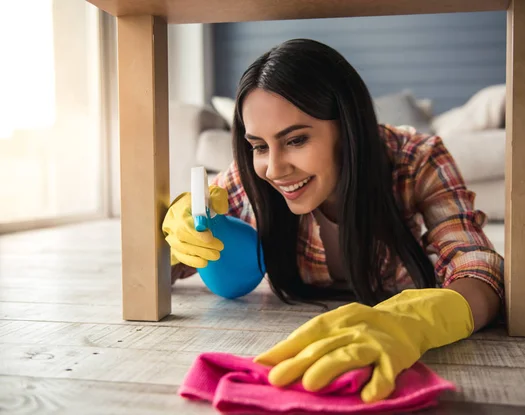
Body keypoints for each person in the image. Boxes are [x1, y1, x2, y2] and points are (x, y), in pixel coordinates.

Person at [162, 38, 504, 403]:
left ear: (346, 127)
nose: (273, 169)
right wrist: (173, 240)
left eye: (295, 140)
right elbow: (174, 259)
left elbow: (479, 270)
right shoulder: (250, 177)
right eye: (259, 145)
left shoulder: (417, 160)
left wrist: (416, 321)